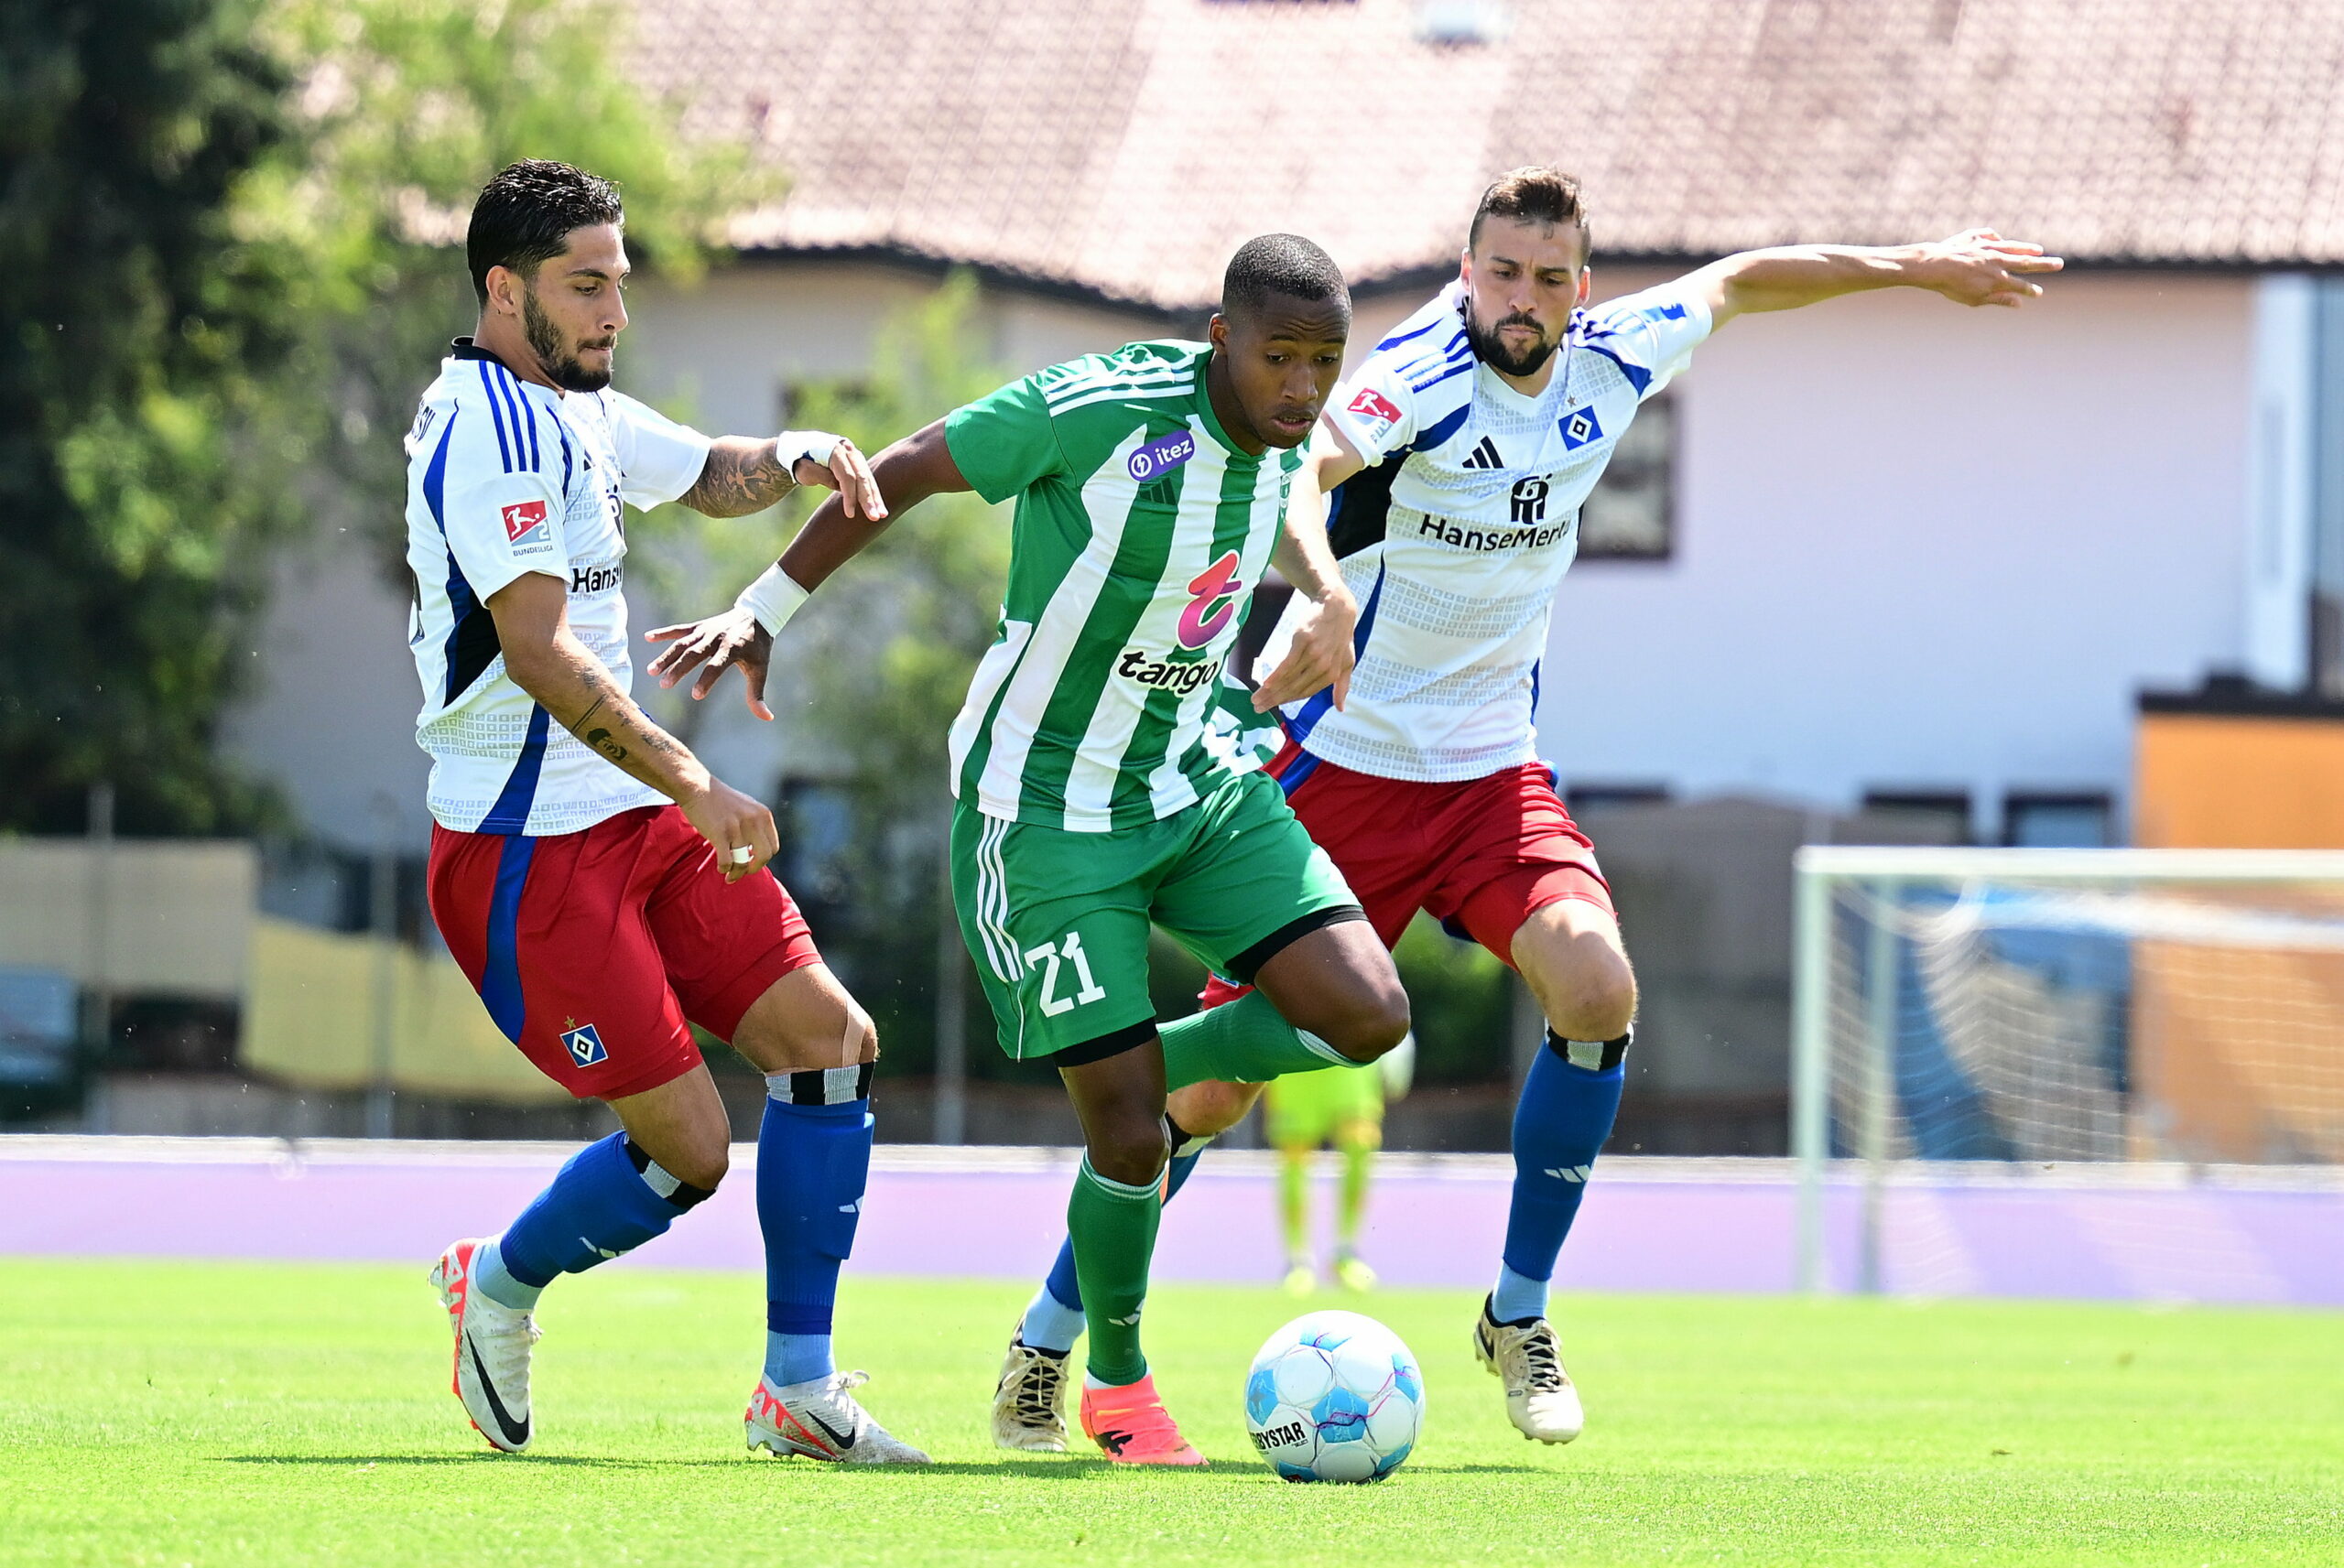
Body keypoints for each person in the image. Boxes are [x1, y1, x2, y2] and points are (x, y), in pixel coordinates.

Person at [993, 168, 2064, 1451]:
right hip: (1341, 776)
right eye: (1502, 271)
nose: (1524, 296)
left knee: (1598, 986)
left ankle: (1517, 1311)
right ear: (1466, 273)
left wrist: (1913, 263)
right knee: (1216, 1098)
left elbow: (1741, 279)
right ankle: (1051, 1341)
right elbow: (1297, 469)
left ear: (1581, 288)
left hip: (1495, 774)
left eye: (1550, 276)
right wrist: (1324, 602)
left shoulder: (1611, 363)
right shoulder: (1413, 375)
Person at [644, 234, 1415, 1467]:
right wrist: (762, 605)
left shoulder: (1281, 434)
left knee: (1369, 1015)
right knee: (1127, 1136)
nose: (1302, 388)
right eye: (1280, 359)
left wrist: (1319, 593)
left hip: (1195, 779)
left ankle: (1120, 1059)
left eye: (1324, 363)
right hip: (1042, 811)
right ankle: (1111, 1381)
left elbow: (1293, 491)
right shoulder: (1103, 409)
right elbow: (901, 468)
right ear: (1221, 339)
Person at [407, 159, 923, 1463]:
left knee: (829, 1039)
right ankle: (502, 1286)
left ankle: (797, 1391)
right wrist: (693, 779)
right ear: (503, 288)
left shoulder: (572, 409)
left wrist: (800, 452)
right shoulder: (486, 430)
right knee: (691, 1150)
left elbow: (707, 471)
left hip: (632, 820)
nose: (612, 313)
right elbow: (538, 649)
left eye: (618, 287)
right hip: (524, 852)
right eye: (586, 288)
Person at [1264, 1033, 1409, 1294]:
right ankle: (1298, 1261)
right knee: (1294, 1158)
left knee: (1360, 1142)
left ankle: (1345, 1252)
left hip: (1350, 1049)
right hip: (1295, 1050)